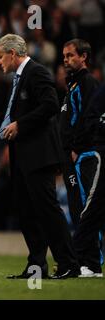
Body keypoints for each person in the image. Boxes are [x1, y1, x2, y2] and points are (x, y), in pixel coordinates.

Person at [0, 34, 80, 279]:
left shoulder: (37, 72)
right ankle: (36, 266)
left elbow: (51, 104)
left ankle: (69, 264)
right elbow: (5, 119)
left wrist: (21, 124)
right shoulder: (19, 79)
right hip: (22, 156)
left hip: (39, 155)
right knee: (27, 213)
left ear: (12, 53)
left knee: (47, 210)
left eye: (0, 57)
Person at [59, 39, 100, 227]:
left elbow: (88, 118)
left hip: (82, 155)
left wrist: (77, 148)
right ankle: (82, 255)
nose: (66, 60)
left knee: (85, 209)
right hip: (71, 156)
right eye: (64, 56)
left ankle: (90, 257)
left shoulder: (87, 83)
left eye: (70, 55)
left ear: (83, 57)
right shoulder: (73, 86)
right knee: (77, 210)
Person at [72, 84, 105, 277]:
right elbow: (91, 119)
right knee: (93, 207)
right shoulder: (100, 92)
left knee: (94, 208)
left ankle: (77, 258)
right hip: (102, 153)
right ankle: (76, 258)